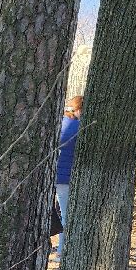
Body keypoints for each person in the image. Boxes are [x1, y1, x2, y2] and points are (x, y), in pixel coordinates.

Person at [54, 95, 83, 254]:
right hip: (66, 178)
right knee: (66, 215)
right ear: (79, 110)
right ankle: (61, 250)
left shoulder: (59, 124)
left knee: (58, 214)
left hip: (55, 176)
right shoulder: (78, 127)